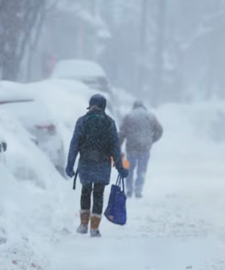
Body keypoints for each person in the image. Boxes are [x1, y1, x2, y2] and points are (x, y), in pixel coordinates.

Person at [66, 93, 127, 237]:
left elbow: (74, 144)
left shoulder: (82, 121)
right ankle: (94, 228)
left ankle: (83, 224)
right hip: (102, 164)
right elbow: (115, 147)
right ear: (104, 106)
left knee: (85, 192)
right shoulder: (109, 122)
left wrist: (70, 165)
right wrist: (120, 167)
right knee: (98, 194)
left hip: (86, 163)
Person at [118, 100, 163, 198]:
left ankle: (129, 189)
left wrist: (118, 146)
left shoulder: (129, 116)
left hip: (131, 147)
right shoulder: (151, 116)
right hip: (145, 148)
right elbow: (159, 130)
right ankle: (138, 190)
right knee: (141, 170)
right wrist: (151, 140)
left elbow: (122, 133)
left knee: (129, 169)